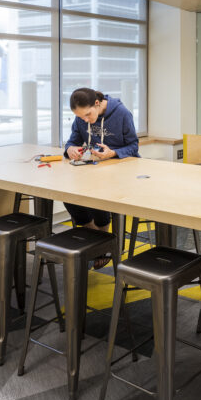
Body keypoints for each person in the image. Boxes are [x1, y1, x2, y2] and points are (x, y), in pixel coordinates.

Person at [63, 87, 139, 268]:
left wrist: (113, 153)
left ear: (97, 104)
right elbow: (71, 141)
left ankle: (100, 243)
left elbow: (133, 146)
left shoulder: (121, 113)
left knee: (99, 193)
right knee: (68, 195)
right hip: (94, 168)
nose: (85, 120)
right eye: (81, 117)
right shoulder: (82, 117)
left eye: (88, 115)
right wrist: (70, 149)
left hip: (123, 170)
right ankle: (99, 238)